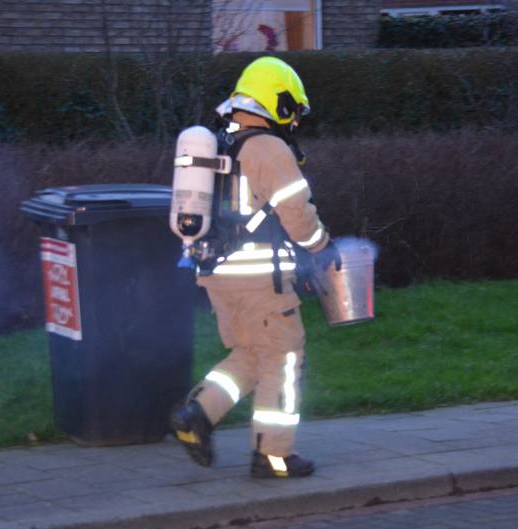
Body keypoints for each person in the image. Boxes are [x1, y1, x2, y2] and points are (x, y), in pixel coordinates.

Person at [169, 56, 340, 479]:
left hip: (216, 276)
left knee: (250, 353)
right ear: (278, 104)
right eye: (293, 111)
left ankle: (196, 413)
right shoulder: (269, 149)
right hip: (260, 282)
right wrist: (322, 245)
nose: (295, 122)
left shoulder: (220, 142)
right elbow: (298, 216)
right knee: (283, 359)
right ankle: (273, 456)